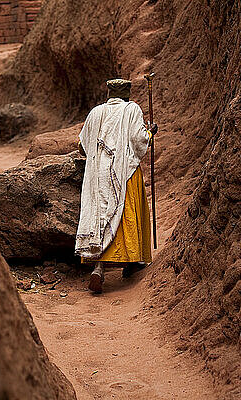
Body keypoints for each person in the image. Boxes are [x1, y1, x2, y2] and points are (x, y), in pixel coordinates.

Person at [75, 78, 157, 294]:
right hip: (123, 172)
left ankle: (99, 268)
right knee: (123, 213)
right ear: (127, 94)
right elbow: (139, 139)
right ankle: (132, 262)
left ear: (109, 94)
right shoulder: (132, 109)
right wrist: (150, 133)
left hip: (97, 174)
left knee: (101, 214)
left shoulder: (95, 113)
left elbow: (82, 144)